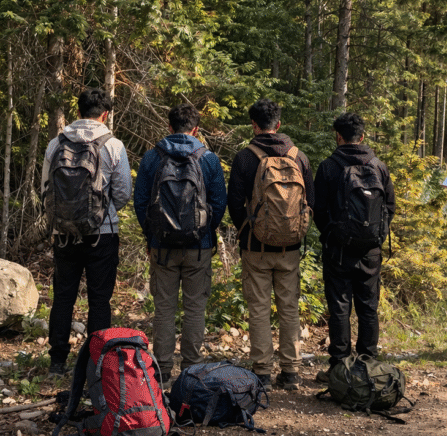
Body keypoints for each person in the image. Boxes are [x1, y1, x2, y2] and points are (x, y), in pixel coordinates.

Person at [133, 103, 227, 384]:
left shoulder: (152, 157)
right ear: (196, 129)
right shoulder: (208, 159)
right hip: (198, 246)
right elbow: (219, 202)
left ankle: (161, 369)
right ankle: (191, 370)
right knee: (195, 307)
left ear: (169, 126)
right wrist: (205, 231)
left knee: (164, 307)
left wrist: (150, 236)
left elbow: (140, 202)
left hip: (162, 246)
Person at [42, 88, 132, 377]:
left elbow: (46, 189)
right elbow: (123, 192)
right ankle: (97, 363)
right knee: (99, 299)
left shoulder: (55, 144)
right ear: (105, 115)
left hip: (64, 234)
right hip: (101, 234)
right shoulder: (113, 145)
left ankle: (57, 361)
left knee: (63, 297)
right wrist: (102, 213)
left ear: (78, 112)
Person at [227, 98, 314, 391]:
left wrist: (246, 230)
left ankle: (262, 371)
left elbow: (234, 203)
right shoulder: (299, 157)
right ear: (279, 124)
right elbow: (309, 201)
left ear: (254, 124)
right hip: (290, 247)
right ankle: (291, 371)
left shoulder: (246, 157)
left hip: (256, 246)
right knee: (289, 308)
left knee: (259, 308)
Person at [312, 112, 395, 380]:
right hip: (370, 249)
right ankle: (368, 363)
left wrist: (331, 234)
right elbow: (389, 206)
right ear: (362, 136)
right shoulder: (379, 166)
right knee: (368, 306)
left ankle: (339, 366)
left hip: (338, 249)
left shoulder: (329, 167)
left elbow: (318, 209)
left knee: (339, 307)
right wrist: (374, 236)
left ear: (338, 136)